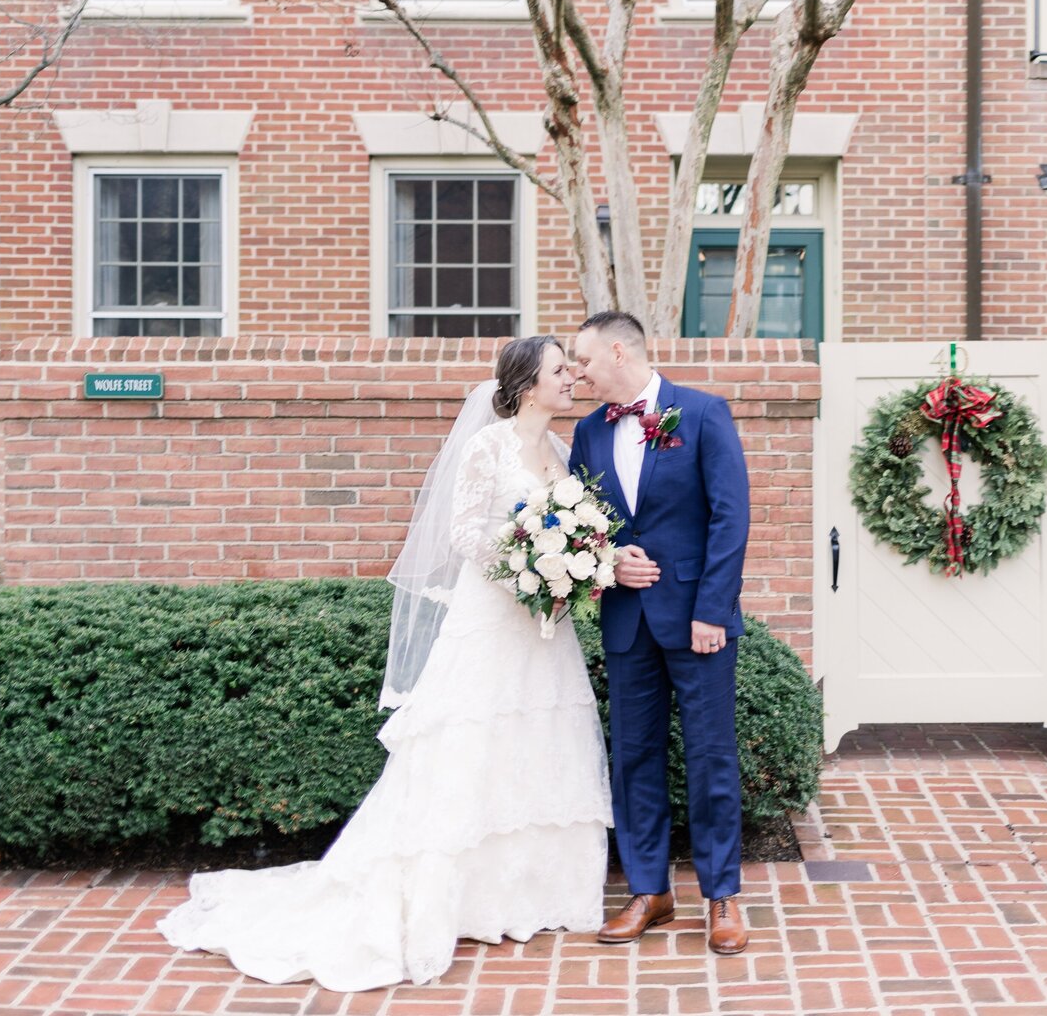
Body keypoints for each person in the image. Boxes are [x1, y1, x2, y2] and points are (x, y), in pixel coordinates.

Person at [156, 336, 611, 993]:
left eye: (571, 368)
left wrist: (564, 573)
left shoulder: (563, 453)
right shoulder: (489, 446)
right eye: (560, 370)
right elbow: (461, 531)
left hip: (545, 631)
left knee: (536, 743)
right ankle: (446, 897)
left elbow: (570, 528)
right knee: (468, 746)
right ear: (526, 384)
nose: (572, 378)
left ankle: (522, 895)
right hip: (491, 619)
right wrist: (526, 571)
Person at [569, 310, 751, 956]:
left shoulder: (702, 414)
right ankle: (650, 891)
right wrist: (610, 559)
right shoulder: (589, 431)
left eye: (584, 360)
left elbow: (731, 518)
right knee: (635, 757)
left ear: (619, 352)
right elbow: (581, 518)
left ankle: (721, 896)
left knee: (710, 759)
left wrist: (712, 610)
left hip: (697, 621)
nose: (577, 373)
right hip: (627, 621)